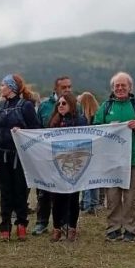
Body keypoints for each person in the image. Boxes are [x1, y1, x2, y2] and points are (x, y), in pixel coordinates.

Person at [92, 72, 135, 242]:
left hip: (132, 158)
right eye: (116, 85)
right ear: (112, 88)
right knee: (112, 195)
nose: (120, 88)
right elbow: (96, 126)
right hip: (111, 159)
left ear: (130, 87)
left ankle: (130, 228)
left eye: (123, 85)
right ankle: (113, 227)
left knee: (131, 195)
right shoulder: (106, 106)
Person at [0, 74, 41, 241]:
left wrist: (22, 131)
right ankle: (5, 225)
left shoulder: (26, 105)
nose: (1, 88)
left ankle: (21, 224)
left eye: (3, 85)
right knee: (5, 191)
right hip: (1, 153)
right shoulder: (1, 106)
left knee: (20, 190)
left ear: (11, 87)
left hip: (20, 156)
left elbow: (36, 129)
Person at [43, 92, 88, 242]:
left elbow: (85, 140)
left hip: (74, 164)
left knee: (73, 197)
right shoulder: (54, 121)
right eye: (59, 104)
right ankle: (57, 228)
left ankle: (72, 228)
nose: (60, 106)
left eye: (64, 103)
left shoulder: (80, 120)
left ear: (71, 105)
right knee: (57, 198)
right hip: (57, 163)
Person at [32, 76, 74, 235]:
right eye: (64, 87)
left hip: (68, 157)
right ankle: (41, 222)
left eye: (69, 87)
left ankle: (65, 223)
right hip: (47, 155)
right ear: (55, 89)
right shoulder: (44, 106)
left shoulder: (75, 105)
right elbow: (36, 129)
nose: (67, 90)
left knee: (67, 190)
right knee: (44, 190)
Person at [76, 91, 101, 215]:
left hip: (85, 150)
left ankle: (86, 204)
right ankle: (94, 204)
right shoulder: (98, 116)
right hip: (97, 150)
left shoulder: (82, 119)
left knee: (85, 178)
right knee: (94, 178)